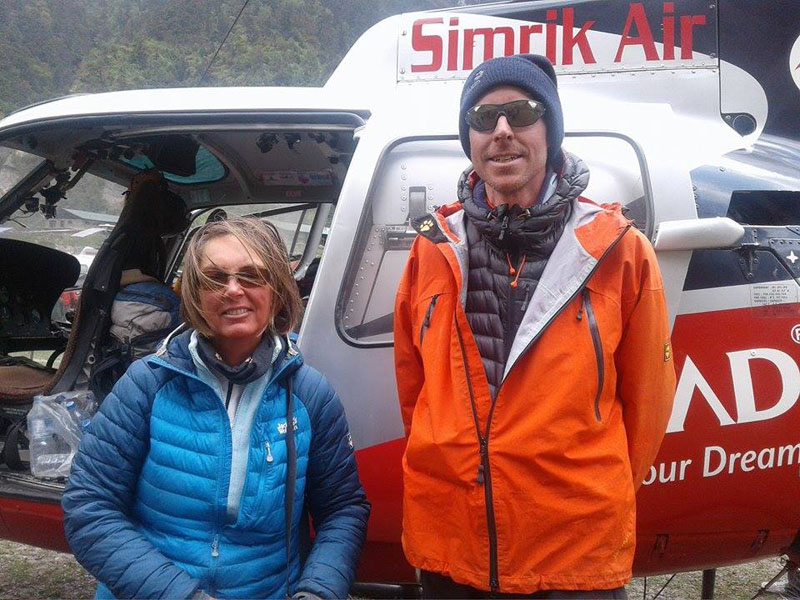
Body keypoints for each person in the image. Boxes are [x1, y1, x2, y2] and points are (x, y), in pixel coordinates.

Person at [393, 54, 676, 598]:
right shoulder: (432, 248)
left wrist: (594, 493)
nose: (502, 131)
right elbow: (415, 392)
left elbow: (647, 405)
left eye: (521, 113)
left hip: (572, 555)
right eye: (483, 118)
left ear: (551, 127)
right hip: (453, 544)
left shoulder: (619, 251)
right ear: (469, 138)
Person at [63, 217, 370, 599]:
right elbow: (90, 507)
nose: (233, 290)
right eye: (214, 279)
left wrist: (319, 591)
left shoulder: (310, 395)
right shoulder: (145, 385)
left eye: (252, 275)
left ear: (276, 290)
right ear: (194, 294)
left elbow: (342, 510)